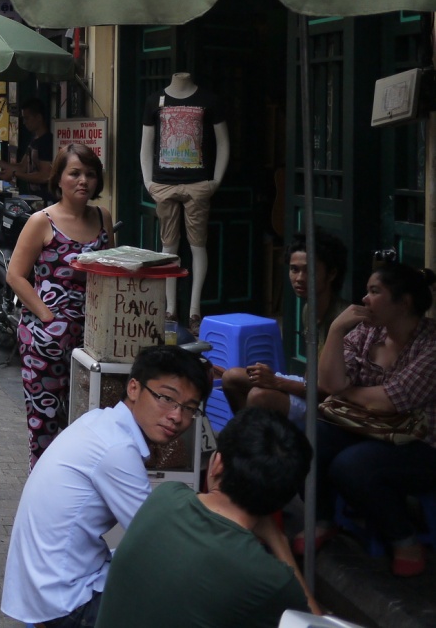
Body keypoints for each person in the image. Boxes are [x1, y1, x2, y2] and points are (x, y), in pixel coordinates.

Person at [1, 345, 213, 628]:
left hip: (41, 588)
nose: (177, 416)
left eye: (189, 408)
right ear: (134, 388)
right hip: (63, 604)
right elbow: (162, 540)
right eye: (166, 398)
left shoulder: (100, 421)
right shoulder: (116, 449)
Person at [94, 407, 316, 628]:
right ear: (282, 497)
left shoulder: (166, 497)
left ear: (217, 464)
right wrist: (279, 542)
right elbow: (315, 622)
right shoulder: (270, 578)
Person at [307, 256, 436, 576]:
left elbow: (390, 402)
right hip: (371, 430)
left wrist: (347, 393)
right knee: (309, 434)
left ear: (403, 303)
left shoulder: (430, 345)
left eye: (374, 291)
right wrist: (336, 330)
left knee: (352, 464)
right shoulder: (365, 332)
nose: (364, 300)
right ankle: (322, 518)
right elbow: (328, 383)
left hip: (421, 442)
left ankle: (404, 538)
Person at [7, 142, 114, 466]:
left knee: (87, 426)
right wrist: (47, 317)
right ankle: (42, 502)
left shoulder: (103, 217)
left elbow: (110, 272)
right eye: (75, 173)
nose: (83, 181)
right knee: (46, 427)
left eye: (90, 174)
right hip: (46, 343)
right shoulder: (42, 221)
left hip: (93, 342)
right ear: (59, 178)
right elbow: (15, 275)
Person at [222, 231, 350, 421]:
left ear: (331, 273)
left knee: (258, 396)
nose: (299, 278)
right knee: (231, 377)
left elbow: (328, 391)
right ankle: (250, 437)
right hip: (308, 387)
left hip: (330, 402)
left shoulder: (343, 320)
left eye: (309, 270)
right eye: (294, 269)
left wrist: (275, 382)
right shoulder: (309, 309)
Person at [0, 97, 54, 201]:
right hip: (35, 198)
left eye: (27, 118)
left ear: (39, 117)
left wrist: (13, 174)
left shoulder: (46, 141)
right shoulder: (34, 140)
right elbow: (22, 166)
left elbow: (45, 175)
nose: (24, 122)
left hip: (47, 199)